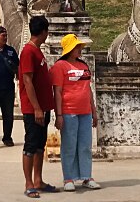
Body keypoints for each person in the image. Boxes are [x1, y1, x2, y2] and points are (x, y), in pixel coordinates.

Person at [52, 34, 100, 191]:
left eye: (79, 46)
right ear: (69, 49)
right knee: (69, 145)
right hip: (68, 112)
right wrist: (59, 115)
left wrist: (94, 112)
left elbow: (89, 91)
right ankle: (69, 178)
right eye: (76, 47)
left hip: (85, 111)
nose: (79, 49)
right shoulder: (60, 66)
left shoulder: (83, 66)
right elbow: (57, 91)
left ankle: (87, 176)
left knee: (85, 145)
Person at [19, 16, 56, 197]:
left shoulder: (38, 52)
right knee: (31, 145)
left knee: (40, 145)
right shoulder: (28, 52)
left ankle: (38, 179)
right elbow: (27, 80)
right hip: (34, 109)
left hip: (43, 106)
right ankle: (28, 183)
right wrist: (36, 108)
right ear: (43, 32)